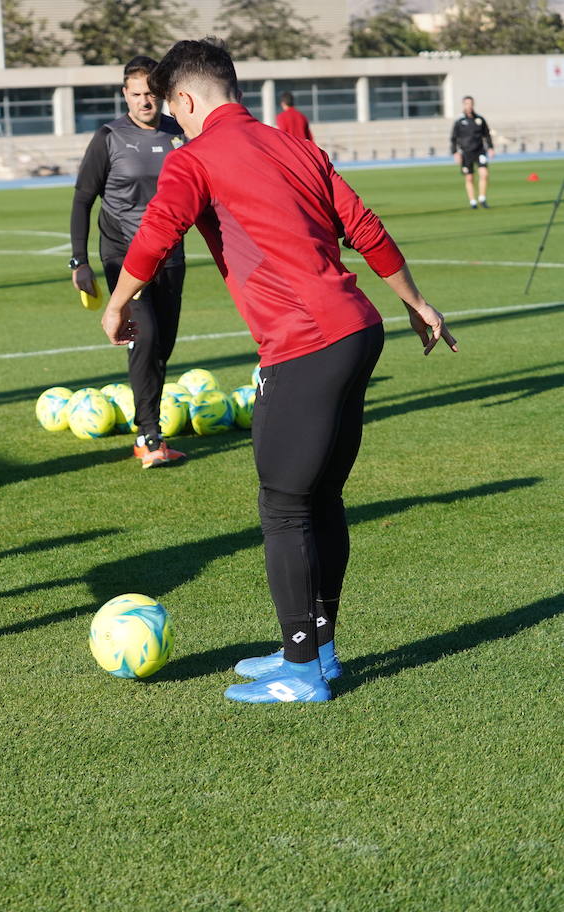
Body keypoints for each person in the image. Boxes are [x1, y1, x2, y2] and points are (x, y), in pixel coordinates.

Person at [101, 39, 457, 704]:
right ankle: (316, 651)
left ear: (183, 99)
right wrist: (418, 303)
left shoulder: (194, 157)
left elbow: (155, 233)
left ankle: (302, 672)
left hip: (307, 342)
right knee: (318, 498)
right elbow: (365, 226)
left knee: (284, 504)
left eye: (174, 110)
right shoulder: (294, 144)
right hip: (358, 329)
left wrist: (118, 304)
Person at [69, 55, 188, 469]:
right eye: (136, 94)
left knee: (164, 344)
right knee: (147, 334)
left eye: (152, 94)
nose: (145, 102)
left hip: (170, 253)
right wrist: (78, 261)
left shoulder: (180, 133)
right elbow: (83, 199)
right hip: (123, 253)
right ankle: (148, 433)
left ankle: (150, 420)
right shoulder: (108, 137)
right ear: (125, 95)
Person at [451, 96, 493, 209]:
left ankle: (482, 198)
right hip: (466, 153)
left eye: (471, 104)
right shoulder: (459, 121)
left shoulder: (480, 119)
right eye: (467, 104)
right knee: (469, 178)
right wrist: (455, 152)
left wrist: (490, 148)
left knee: (484, 174)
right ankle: (472, 201)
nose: (469, 106)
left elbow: (487, 134)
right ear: (463, 105)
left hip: (480, 151)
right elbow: (454, 138)